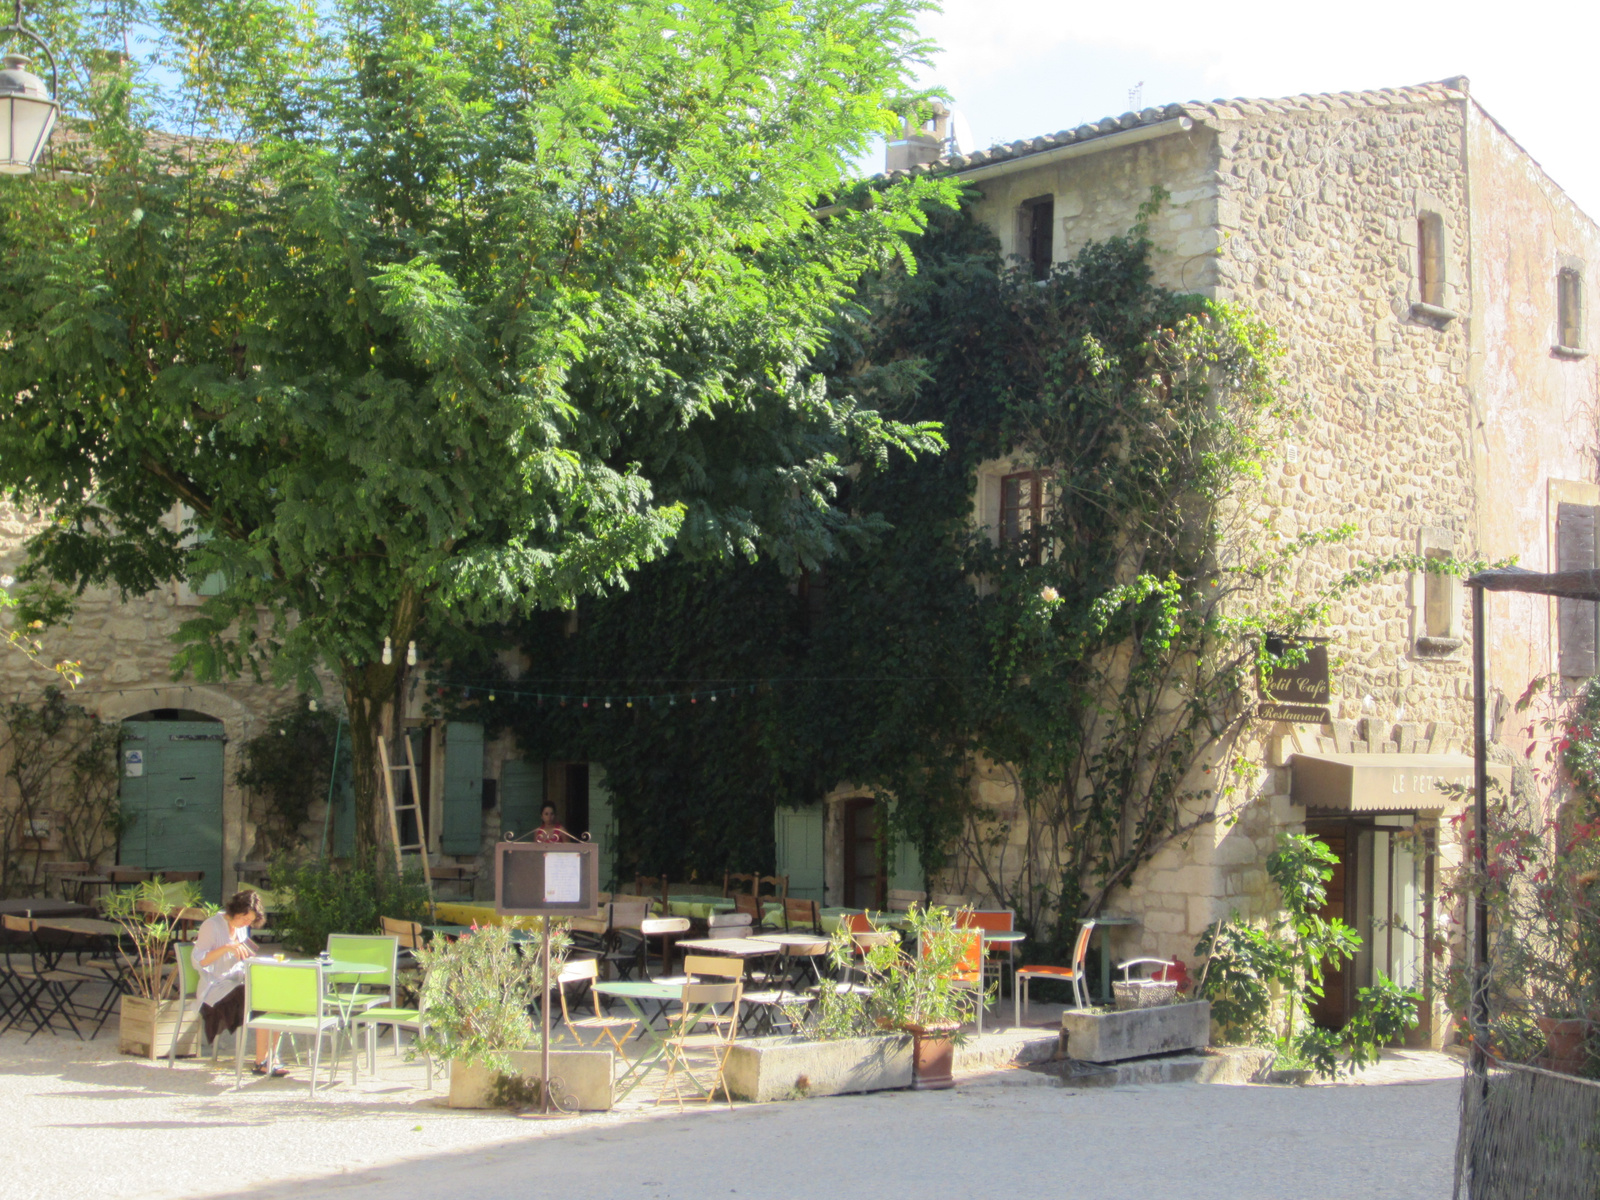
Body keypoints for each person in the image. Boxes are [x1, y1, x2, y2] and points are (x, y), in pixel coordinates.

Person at [192, 890, 284, 1076]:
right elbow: (198, 961)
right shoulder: (212, 926)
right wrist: (226, 948)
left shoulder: (242, 928)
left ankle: (271, 1057)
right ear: (235, 910)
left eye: (250, 921)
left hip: (237, 982)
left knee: (275, 998)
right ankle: (261, 1062)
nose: (246, 924)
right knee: (261, 1000)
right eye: (244, 919)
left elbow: (241, 957)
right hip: (216, 990)